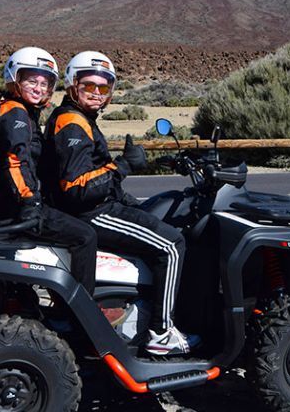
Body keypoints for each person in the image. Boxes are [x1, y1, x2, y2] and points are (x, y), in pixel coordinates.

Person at [44, 50, 198, 355]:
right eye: (89, 86)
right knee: (172, 243)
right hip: (89, 212)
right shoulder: (73, 123)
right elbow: (77, 189)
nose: (97, 93)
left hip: (91, 207)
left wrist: (125, 192)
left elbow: (91, 175)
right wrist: (123, 166)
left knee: (154, 219)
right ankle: (161, 331)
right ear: (73, 85)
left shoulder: (78, 119)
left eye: (103, 87)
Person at [0, 46, 97, 296]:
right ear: (14, 79)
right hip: (18, 207)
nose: (39, 88)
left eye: (45, 82)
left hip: (14, 202)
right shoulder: (16, 113)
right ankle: (82, 311)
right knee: (85, 236)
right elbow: (14, 160)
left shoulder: (20, 111)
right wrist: (30, 203)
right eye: (31, 80)